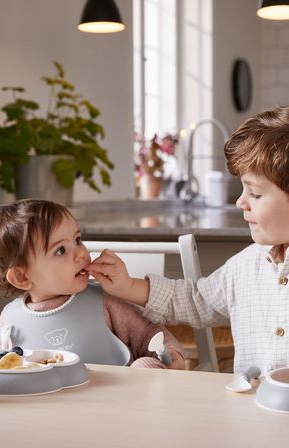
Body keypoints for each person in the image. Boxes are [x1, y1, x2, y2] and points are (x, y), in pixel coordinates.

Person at [86, 105, 289, 376]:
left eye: (254, 193)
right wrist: (127, 286)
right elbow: (194, 300)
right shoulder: (244, 267)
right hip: (251, 413)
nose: (240, 202)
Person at [0, 199, 185, 370]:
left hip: (117, 404)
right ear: (22, 278)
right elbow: (0, 366)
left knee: (145, 366)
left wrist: (171, 354)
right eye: (60, 250)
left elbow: (148, 335)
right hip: (47, 410)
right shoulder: (10, 319)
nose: (81, 253)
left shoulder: (104, 301)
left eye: (77, 240)